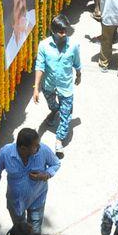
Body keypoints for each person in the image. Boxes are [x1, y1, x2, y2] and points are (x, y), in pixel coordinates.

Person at [0, 128, 61, 234]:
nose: (39, 147)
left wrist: (46, 174)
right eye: (35, 146)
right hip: (16, 203)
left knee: (34, 232)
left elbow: (56, 163)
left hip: (38, 198)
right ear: (23, 148)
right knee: (20, 231)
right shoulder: (5, 153)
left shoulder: (43, 150)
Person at [32, 15, 81, 155]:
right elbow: (40, 66)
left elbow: (77, 63)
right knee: (53, 106)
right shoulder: (44, 45)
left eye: (65, 30)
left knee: (66, 114)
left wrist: (79, 75)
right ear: (52, 30)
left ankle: (59, 140)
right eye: (60, 31)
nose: (64, 34)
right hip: (49, 87)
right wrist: (36, 88)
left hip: (66, 88)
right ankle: (54, 112)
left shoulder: (73, 46)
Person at [5, 0, 36, 65]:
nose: (22, 4)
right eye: (18, 3)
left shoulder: (32, 16)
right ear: (12, 11)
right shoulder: (9, 49)